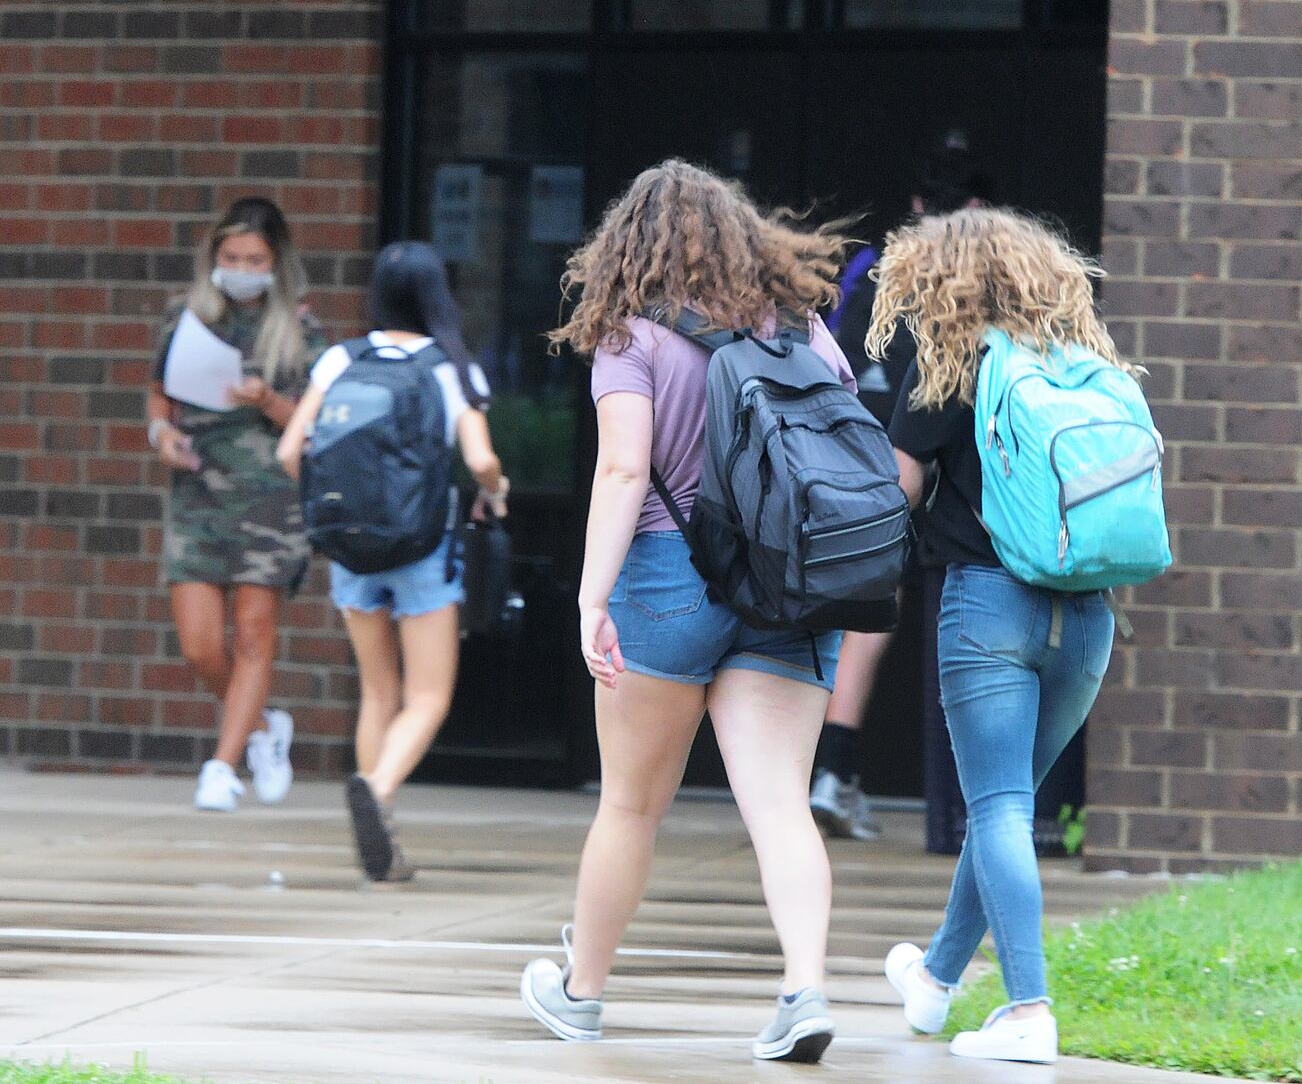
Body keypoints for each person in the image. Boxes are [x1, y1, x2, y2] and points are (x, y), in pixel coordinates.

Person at [524, 159, 857, 1061]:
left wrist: (592, 595)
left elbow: (624, 470)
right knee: (781, 802)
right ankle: (804, 987)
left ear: (626, 244)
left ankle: (581, 992)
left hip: (669, 574)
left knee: (630, 805)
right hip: (787, 583)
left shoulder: (631, 335)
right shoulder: (808, 334)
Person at [867, 208, 1123, 1065]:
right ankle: (937, 983)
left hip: (988, 605)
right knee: (1002, 804)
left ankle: (1026, 1007)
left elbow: (896, 489)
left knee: (1000, 806)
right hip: (1086, 616)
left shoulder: (955, 362)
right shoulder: (1089, 364)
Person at [276, 241, 507, 883]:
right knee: (428, 695)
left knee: (378, 691)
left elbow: (290, 452)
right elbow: (482, 460)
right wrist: (495, 490)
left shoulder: (339, 360)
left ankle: (381, 834)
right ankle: (376, 795)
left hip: (351, 546)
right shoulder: (450, 368)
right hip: (423, 546)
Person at [810, 153, 993, 843]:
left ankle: (830, 767)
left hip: (852, 460)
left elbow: (830, 358)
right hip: (932, 476)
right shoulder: (978, 282)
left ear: (917, 202)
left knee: (853, 615)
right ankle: (962, 796)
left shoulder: (874, 272)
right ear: (978, 210)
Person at [147, 197, 326, 812]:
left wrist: (265, 400)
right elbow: (159, 395)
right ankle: (260, 729)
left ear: (277, 262)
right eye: (231, 257)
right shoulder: (185, 317)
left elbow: (311, 419)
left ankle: (221, 767)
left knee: (254, 632)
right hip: (198, 492)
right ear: (213, 257)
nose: (242, 267)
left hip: (270, 498)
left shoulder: (300, 330)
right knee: (200, 644)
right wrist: (161, 435)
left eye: (255, 258)